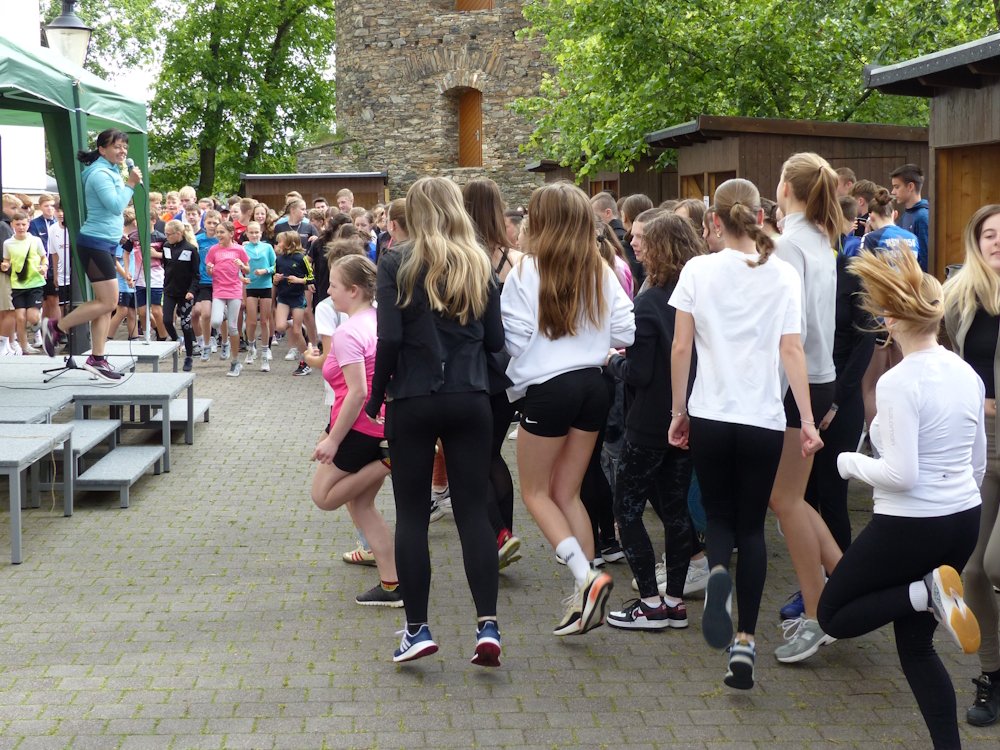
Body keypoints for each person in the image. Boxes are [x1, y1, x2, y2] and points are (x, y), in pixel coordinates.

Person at [820, 248, 983, 750]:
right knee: (915, 648)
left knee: (833, 614)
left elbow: (901, 474)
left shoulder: (897, 382)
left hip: (912, 524)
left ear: (889, 320)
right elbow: (976, 463)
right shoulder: (966, 372)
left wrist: (847, 462)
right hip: (963, 518)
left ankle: (924, 592)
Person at [668, 177, 821, 689]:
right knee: (752, 529)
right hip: (762, 420)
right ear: (760, 217)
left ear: (713, 221)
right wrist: (806, 420)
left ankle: (717, 573)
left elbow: (681, 349)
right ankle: (745, 643)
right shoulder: (783, 275)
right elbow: (792, 350)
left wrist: (678, 411)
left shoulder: (697, 270)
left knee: (719, 517)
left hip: (710, 415)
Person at [365, 176, 503, 665]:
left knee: (411, 515)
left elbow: (390, 339)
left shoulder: (396, 262)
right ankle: (488, 626)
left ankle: (417, 629)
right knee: (472, 513)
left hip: (414, 395)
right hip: (470, 395)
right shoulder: (478, 261)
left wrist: (376, 395)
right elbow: (495, 340)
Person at [502, 181, 635, 636]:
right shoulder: (599, 267)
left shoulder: (525, 271)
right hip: (594, 385)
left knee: (536, 493)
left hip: (548, 389)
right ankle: (585, 595)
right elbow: (626, 330)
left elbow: (514, 341)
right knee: (568, 492)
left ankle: (586, 577)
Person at [606, 212, 702, 631]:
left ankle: (649, 601)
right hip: (689, 417)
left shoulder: (648, 304)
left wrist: (612, 362)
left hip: (648, 422)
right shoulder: (699, 298)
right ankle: (675, 602)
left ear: (661, 249)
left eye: (644, 242)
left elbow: (640, 373)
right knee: (676, 509)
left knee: (627, 509)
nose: (637, 247)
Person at [767, 152, 843, 663]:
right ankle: (846, 582)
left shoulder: (789, 244)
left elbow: (787, 332)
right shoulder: (820, 239)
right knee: (790, 497)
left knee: (785, 500)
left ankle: (818, 615)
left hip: (799, 383)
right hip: (820, 379)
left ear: (786, 188)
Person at [310, 254, 401, 608]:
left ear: (353, 290)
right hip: (376, 425)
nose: (328, 291)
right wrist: (329, 430)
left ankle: (390, 461)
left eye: (333, 285)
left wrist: (334, 439)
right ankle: (392, 584)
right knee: (363, 506)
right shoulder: (379, 319)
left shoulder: (348, 332)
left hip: (359, 429)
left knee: (323, 496)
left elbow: (358, 391)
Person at [943, 204, 1000, 728]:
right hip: (981, 449)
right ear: (976, 242)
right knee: (973, 569)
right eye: (989, 234)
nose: (997, 241)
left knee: (998, 565)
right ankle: (994, 674)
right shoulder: (958, 298)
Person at [42, 129, 142, 379]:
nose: (122, 151)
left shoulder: (110, 170)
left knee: (103, 305)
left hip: (105, 243)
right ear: (102, 149)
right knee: (109, 302)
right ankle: (56, 327)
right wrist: (130, 184)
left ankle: (97, 358)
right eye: (117, 146)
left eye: (125, 147)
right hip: (95, 243)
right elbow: (115, 206)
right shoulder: (99, 173)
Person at [462, 178, 523, 569]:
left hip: (475, 369)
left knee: (474, 459)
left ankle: (499, 534)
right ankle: (506, 534)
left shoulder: (464, 258)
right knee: (492, 455)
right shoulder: (516, 259)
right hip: (510, 371)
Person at [205, 221, 250, 376]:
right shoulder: (213, 250)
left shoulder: (239, 249)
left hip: (234, 290)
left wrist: (242, 266)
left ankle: (235, 362)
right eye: (217, 232)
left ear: (231, 234)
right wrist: (209, 269)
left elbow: (247, 269)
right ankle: (223, 313)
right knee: (215, 322)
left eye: (222, 232)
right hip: (219, 289)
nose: (219, 235)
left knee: (233, 327)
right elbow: (209, 270)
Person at [1, 211, 48, 354]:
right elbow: (7, 260)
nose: (21, 227)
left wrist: (44, 267)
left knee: (32, 317)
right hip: (17, 285)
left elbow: (44, 257)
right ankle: (24, 347)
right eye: (18, 224)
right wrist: (5, 265)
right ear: (12, 225)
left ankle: (40, 322)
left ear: (28, 225)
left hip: (35, 283)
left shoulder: (35, 240)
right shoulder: (8, 243)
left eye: (23, 224)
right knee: (20, 317)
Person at [161, 219, 200, 372]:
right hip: (170, 291)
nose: (166, 237)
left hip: (185, 294)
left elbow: (196, 275)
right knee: (166, 320)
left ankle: (189, 356)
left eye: (169, 234)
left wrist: (192, 291)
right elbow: (167, 266)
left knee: (185, 325)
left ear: (178, 234)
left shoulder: (190, 249)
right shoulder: (166, 246)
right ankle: (177, 340)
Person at [273, 230, 312, 375]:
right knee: (280, 327)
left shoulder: (301, 258)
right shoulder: (279, 259)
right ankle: (297, 323)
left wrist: (299, 280)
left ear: (290, 243)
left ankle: (306, 361)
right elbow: (274, 278)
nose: (278, 244)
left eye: (280, 241)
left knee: (296, 332)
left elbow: (311, 278)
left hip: (297, 297)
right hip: (283, 297)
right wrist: (276, 279)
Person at [242, 221, 275, 369]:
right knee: (251, 321)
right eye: (251, 232)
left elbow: (275, 265)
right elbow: (238, 268)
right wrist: (242, 277)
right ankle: (251, 347)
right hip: (250, 286)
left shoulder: (267, 247)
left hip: (265, 286)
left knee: (264, 321)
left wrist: (265, 271)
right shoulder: (243, 248)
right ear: (247, 234)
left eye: (257, 232)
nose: (254, 235)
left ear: (261, 233)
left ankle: (265, 353)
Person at [891, 163, 930, 271]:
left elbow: (926, 259)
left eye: (897, 187)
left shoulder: (923, 217)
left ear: (910, 187)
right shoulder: (906, 215)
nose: (893, 192)